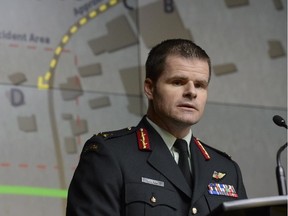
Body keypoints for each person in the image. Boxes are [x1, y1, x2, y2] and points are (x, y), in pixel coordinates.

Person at [66, 38, 247, 216]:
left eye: (200, 85)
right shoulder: (109, 155)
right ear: (150, 88)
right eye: (178, 82)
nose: (191, 92)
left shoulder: (226, 169)